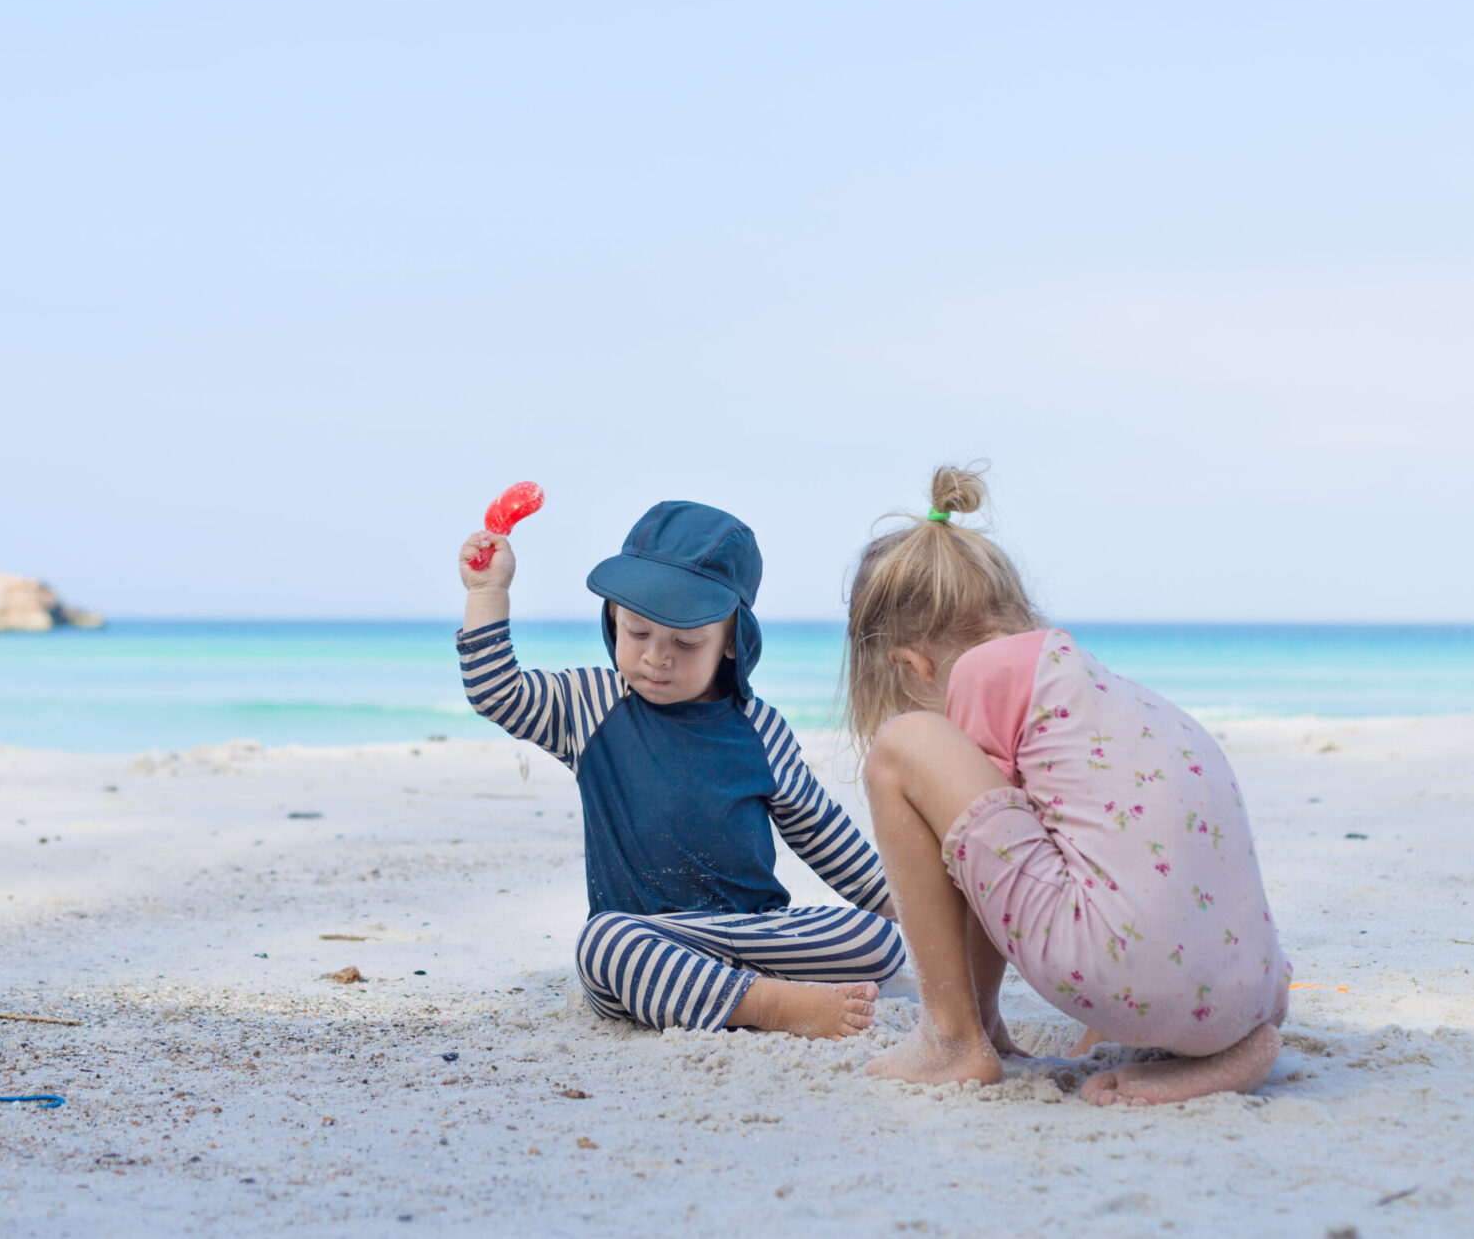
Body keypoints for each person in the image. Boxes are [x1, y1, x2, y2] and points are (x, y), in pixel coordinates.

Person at [845, 466, 1289, 1104]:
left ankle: (949, 1040)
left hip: (1127, 968)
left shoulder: (983, 675)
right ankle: (1234, 1050)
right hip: (1251, 991)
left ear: (911, 666)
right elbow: (1067, 849)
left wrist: (976, 1021)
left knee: (900, 749)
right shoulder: (1096, 690)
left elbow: (978, 868)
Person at [457, 498, 905, 1039]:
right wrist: (488, 592)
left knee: (878, 939)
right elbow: (495, 691)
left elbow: (824, 834)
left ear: (733, 644)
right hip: (647, 938)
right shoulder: (591, 704)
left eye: (686, 642)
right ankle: (771, 1005)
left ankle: (723, 988)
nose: (656, 657)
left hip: (753, 932)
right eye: (638, 633)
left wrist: (905, 908)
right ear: (613, 620)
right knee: (602, 945)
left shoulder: (758, 727)